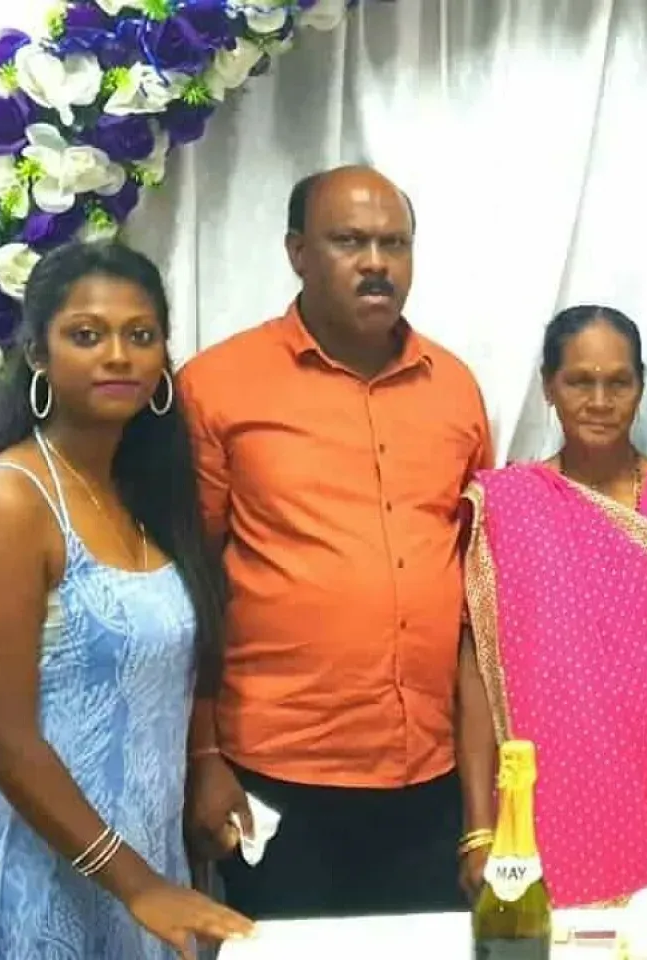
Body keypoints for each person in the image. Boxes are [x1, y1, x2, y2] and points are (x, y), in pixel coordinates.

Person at [177, 166, 493, 918]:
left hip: (429, 778)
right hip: (277, 776)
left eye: (394, 243)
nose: (376, 262)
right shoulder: (218, 385)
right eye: (349, 241)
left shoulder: (455, 387)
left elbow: (474, 593)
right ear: (297, 252)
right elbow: (187, 586)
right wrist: (202, 758)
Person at [0, 240, 254, 957]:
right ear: (38, 354)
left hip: (146, 865)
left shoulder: (145, 493)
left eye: (141, 335)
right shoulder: (8, 500)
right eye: (87, 335)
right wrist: (136, 883)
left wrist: (203, 767)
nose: (119, 356)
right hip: (39, 875)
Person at [456, 306, 647, 908]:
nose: (599, 401)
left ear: (641, 387)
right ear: (548, 386)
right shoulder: (507, 504)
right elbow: (479, 672)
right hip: (538, 807)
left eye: (618, 382)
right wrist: (479, 828)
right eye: (579, 382)